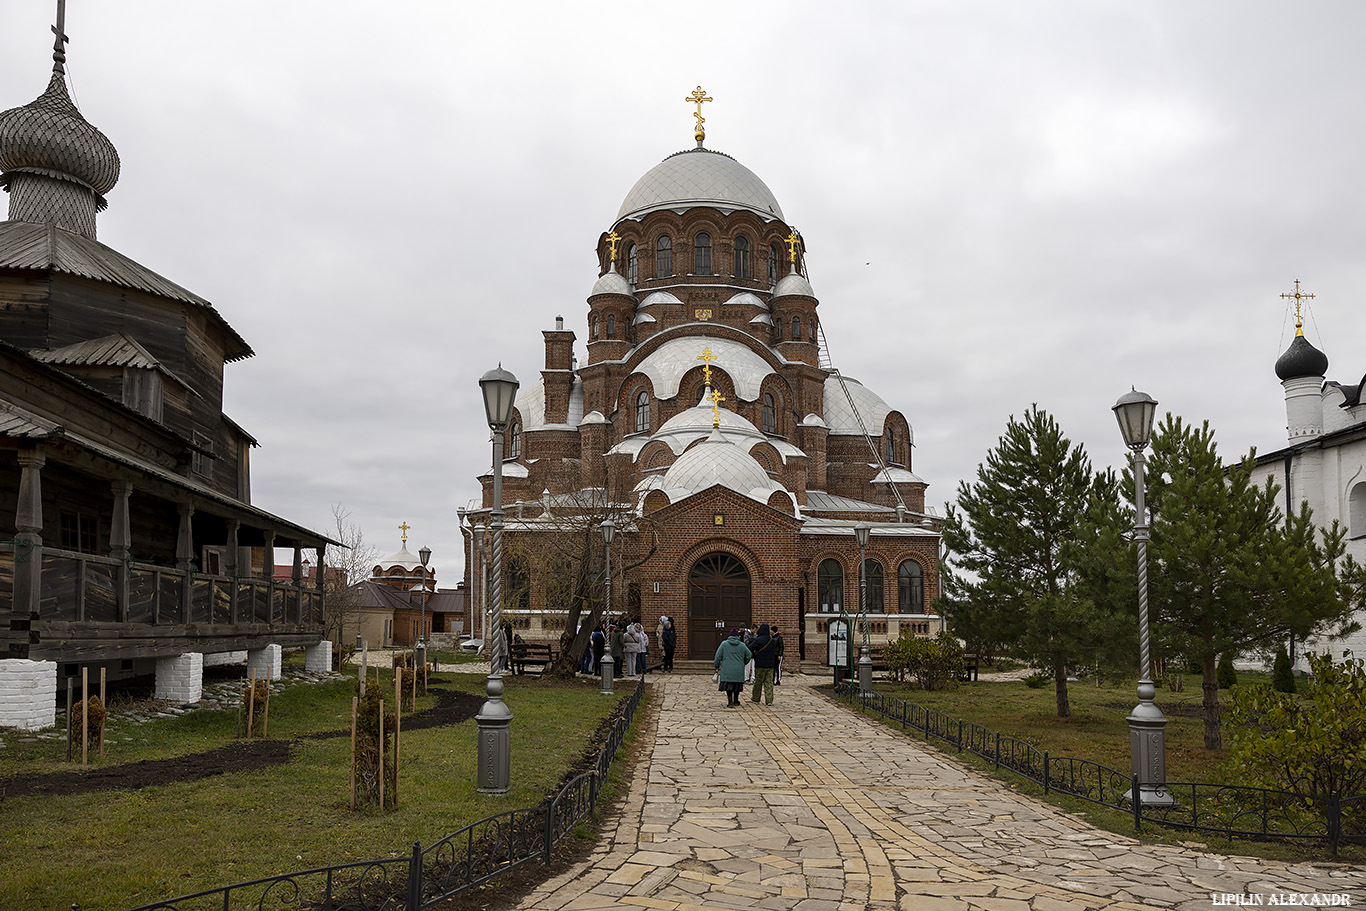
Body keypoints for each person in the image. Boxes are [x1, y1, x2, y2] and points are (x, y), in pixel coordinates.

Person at [714, 628, 752, 707]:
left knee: (729, 686)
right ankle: (736, 700)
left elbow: (718, 657)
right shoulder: (742, 645)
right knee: (736, 686)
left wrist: (716, 666)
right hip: (738, 669)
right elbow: (749, 655)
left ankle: (730, 701)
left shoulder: (724, 644)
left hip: (727, 670)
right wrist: (744, 662)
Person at [749, 623, 778, 705]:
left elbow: (750, 648)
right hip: (770, 665)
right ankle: (769, 700)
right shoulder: (772, 641)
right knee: (769, 683)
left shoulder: (758, 640)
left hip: (760, 664)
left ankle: (755, 698)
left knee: (758, 682)